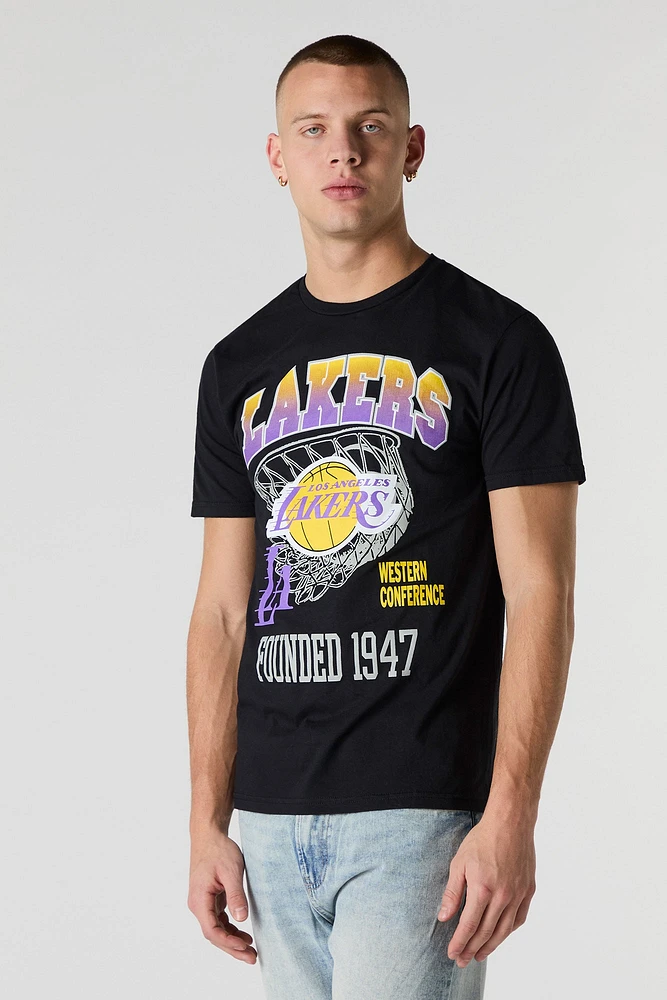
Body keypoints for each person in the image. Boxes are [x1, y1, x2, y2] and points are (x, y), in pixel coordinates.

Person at [185, 33, 586, 1000]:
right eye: (312, 129)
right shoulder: (236, 365)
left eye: (369, 126)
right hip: (268, 823)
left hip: (421, 817)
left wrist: (510, 814)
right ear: (276, 156)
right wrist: (206, 819)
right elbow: (223, 613)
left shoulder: (500, 344)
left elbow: (542, 591)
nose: (342, 150)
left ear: (411, 148)